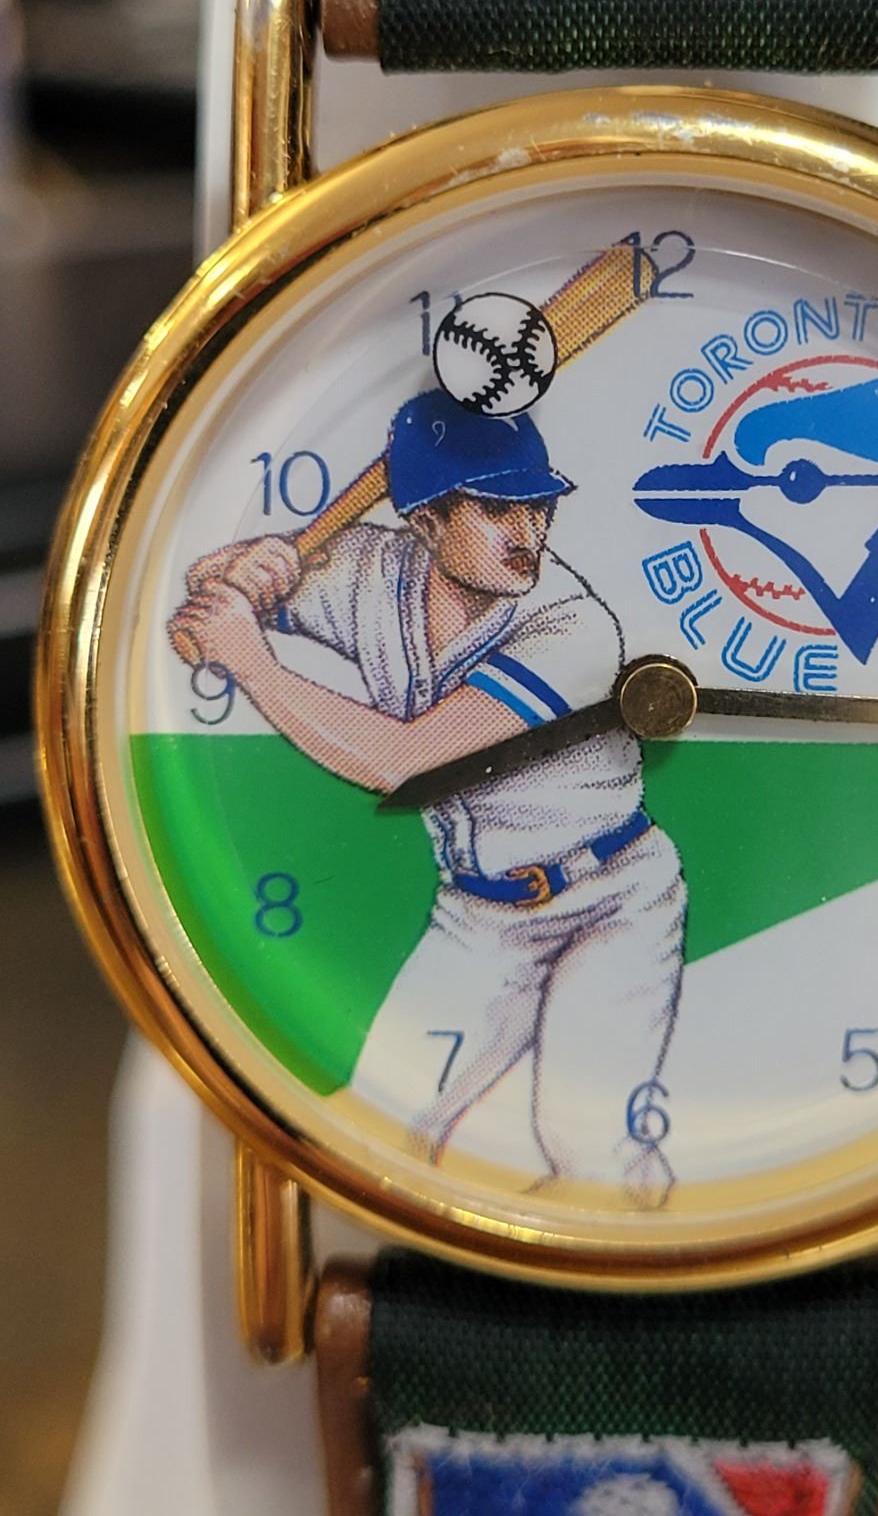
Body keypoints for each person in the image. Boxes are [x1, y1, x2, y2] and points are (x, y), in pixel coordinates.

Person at [170, 388, 686, 1204]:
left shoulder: (571, 626)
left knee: (588, 1146)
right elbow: (203, 586)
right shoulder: (370, 570)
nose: (529, 534)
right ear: (427, 524)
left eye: (538, 507)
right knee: (382, 1123)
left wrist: (253, 664)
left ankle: (662, 1274)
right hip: (481, 913)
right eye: (497, 510)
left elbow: (404, 763)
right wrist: (249, 567)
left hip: (612, 899)